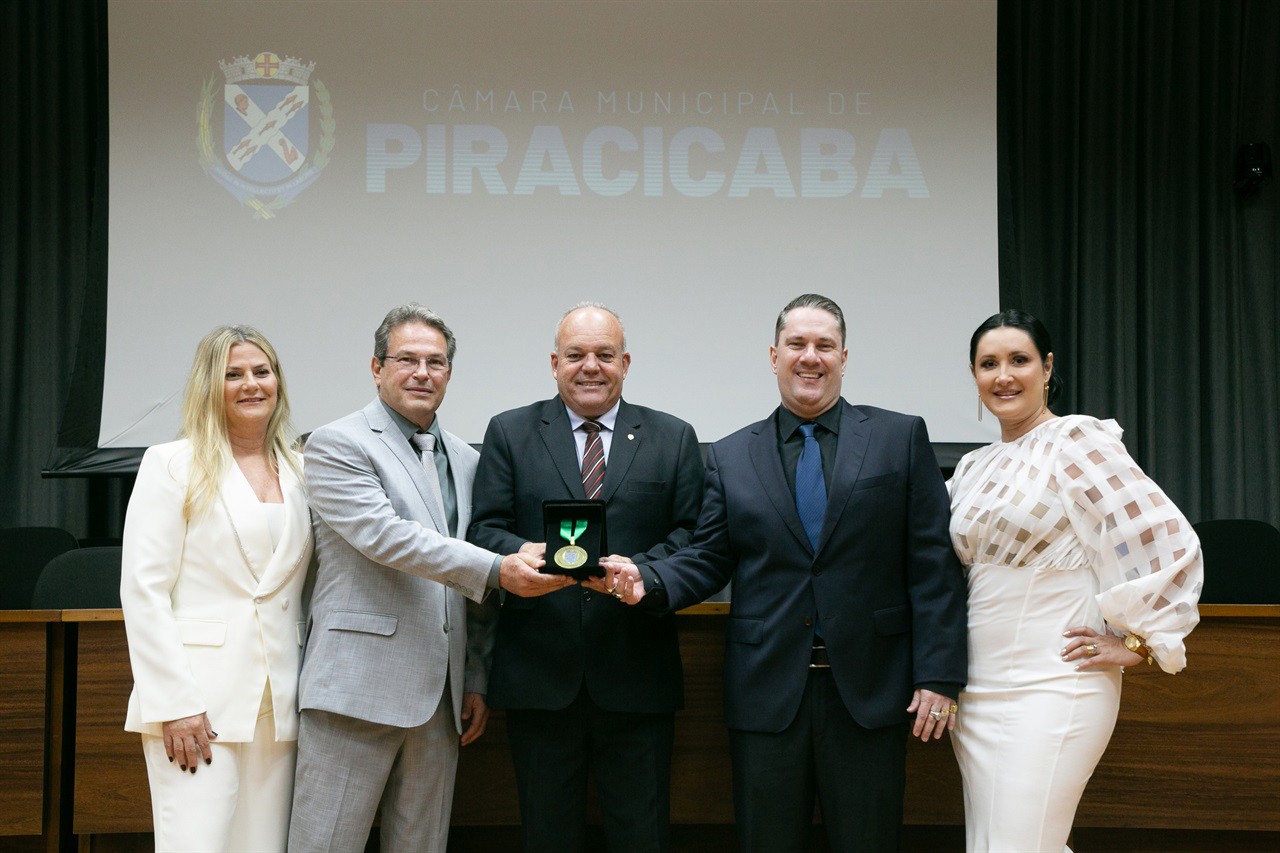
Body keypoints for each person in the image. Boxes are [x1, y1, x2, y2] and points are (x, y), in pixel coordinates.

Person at [597, 294, 968, 852]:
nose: (810, 357)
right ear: (774, 356)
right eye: (797, 344)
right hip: (766, 693)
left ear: (845, 357)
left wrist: (939, 675)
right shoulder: (729, 455)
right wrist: (647, 580)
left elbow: (932, 564)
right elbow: (708, 557)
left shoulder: (899, 437)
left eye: (824, 345)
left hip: (871, 691)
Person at [289, 303, 572, 852]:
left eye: (436, 362)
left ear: (449, 373)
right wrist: (496, 568)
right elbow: (385, 536)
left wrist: (475, 676)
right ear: (376, 368)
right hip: (356, 692)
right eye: (407, 359)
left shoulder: (468, 459)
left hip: (441, 702)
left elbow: (475, 589)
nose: (423, 372)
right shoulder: (336, 443)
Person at [947, 309, 1202, 852]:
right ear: (974, 376)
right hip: (978, 690)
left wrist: (1140, 643)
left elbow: (1165, 536)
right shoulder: (970, 468)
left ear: (1047, 368)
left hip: (1056, 683)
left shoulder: (1076, 440)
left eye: (1020, 360)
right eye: (988, 363)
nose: (1004, 375)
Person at [468, 302, 704, 852]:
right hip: (540, 677)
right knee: (547, 837)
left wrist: (644, 571)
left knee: (641, 837)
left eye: (604, 355)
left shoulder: (673, 437)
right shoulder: (509, 432)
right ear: (554, 363)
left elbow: (694, 536)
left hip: (637, 672)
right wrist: (523, 552)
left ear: (626, 362)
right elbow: (483, 530)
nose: (590, 367)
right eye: (575, 355)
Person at [121, 325, 313, 851]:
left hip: (281, 706)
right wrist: (174, 704)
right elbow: (144, 590)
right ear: (210, 384)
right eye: (233, 374)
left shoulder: (303, 470)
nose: (251, 384)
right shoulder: (172, 464)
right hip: (197, 708)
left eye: (262, 371)